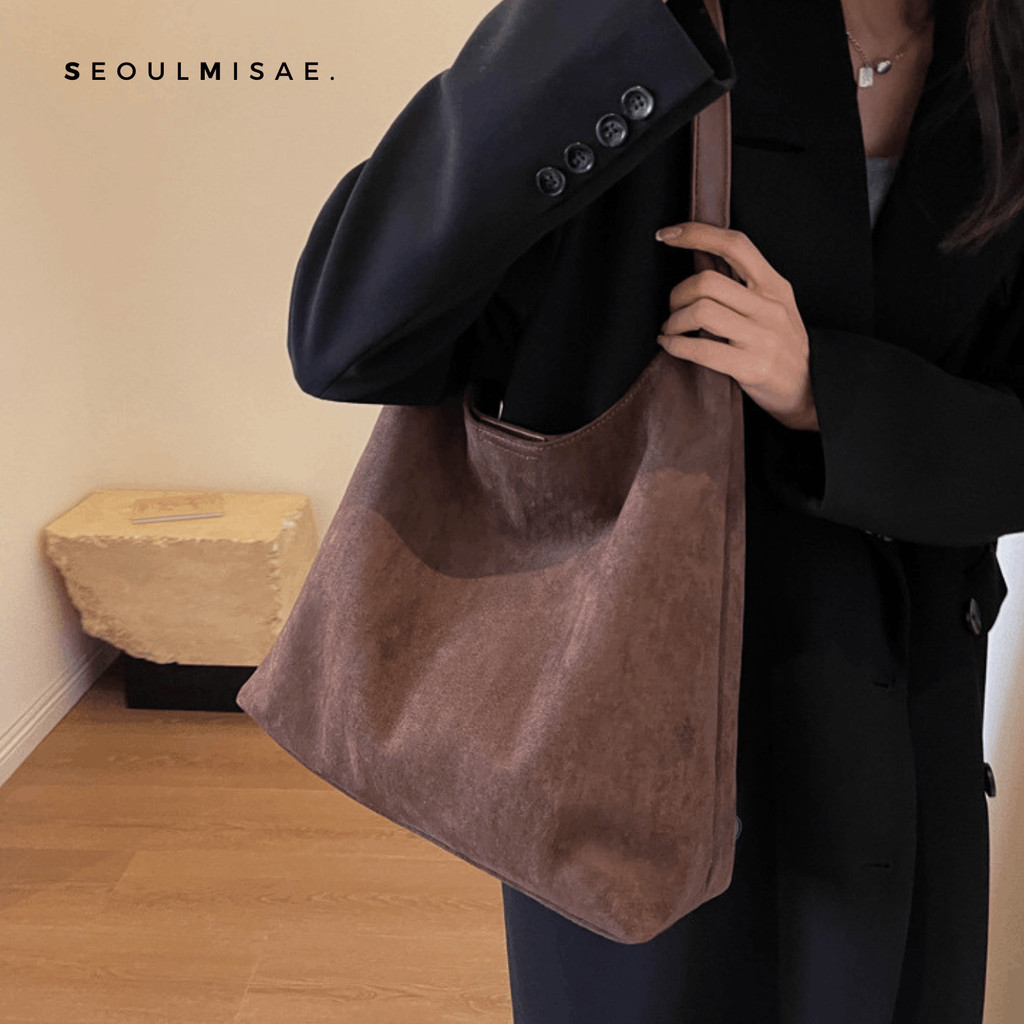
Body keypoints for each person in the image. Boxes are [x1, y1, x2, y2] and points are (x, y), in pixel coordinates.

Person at [284, 0, 1024, 1020]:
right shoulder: (654, 32)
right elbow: (347, 333)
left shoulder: (1001, 60)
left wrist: (830, 393)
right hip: (628, 726)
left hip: (905, 746)